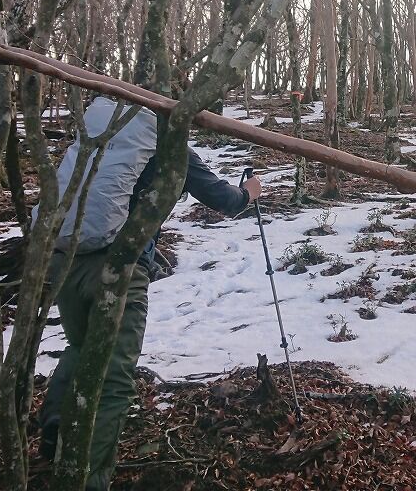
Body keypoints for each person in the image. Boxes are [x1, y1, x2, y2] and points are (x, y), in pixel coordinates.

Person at [37, 98, 261, 491]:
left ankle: (56, 426)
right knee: (114, 377)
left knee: (80, 345)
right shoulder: (166, 141)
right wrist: (248, 193)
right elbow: (223, 199)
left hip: (64, 257)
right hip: (118, 267)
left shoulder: (108, 132)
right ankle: (90, 479)